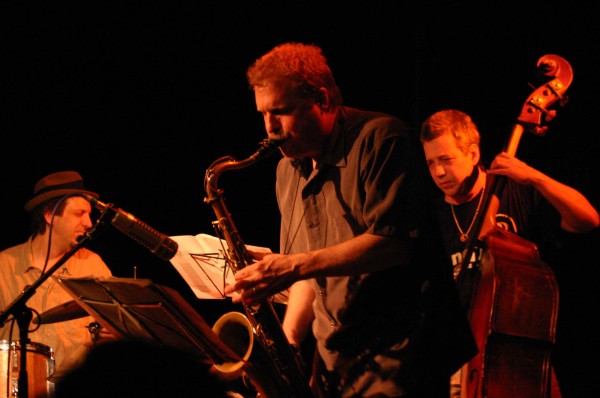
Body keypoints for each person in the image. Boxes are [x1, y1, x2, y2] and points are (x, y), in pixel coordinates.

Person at [223, 42, 476, 397]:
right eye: (263, 114)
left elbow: (395, 243)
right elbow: (308, 277)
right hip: (337, 359)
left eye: (280, 111)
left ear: (323, 100)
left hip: (399, 356)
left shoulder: (383, 138)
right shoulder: (285, 171)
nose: (270, 128)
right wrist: (289, 344)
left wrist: (294, 265)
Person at [419, 109, 600, 397]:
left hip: (517, 362)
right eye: (430, 163)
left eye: (446, 160)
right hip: (457, 364)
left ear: (474, 154)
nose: (438, 172)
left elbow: (587, 219)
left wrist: (534, 177)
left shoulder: (514, 190)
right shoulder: (429, 218)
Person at [0, 171, 113, 385]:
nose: (89, 223)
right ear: (50, 215)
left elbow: (115, 331)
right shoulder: (3, 265)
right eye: (79, 213)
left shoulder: (93, 266)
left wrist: (114, 335)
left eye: (89, 215)